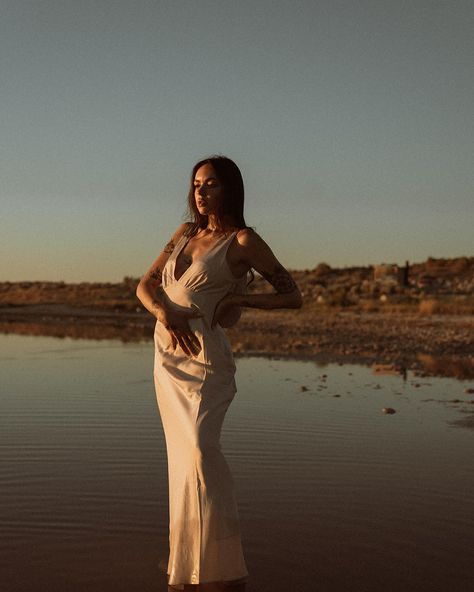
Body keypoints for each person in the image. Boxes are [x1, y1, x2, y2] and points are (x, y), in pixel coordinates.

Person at [136, 156, 302, 591]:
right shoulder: (184, 233)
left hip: (206, 360)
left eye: (210, 184)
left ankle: (222, 561)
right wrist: (163, 315)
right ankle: (187, 559)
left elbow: (292, 295)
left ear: (230, 189)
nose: (200, 192)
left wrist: (241, 302)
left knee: (199, 451)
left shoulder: (244, 241)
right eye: (195, 184)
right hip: (167, 355)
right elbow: (145, 285)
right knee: (180, 458)